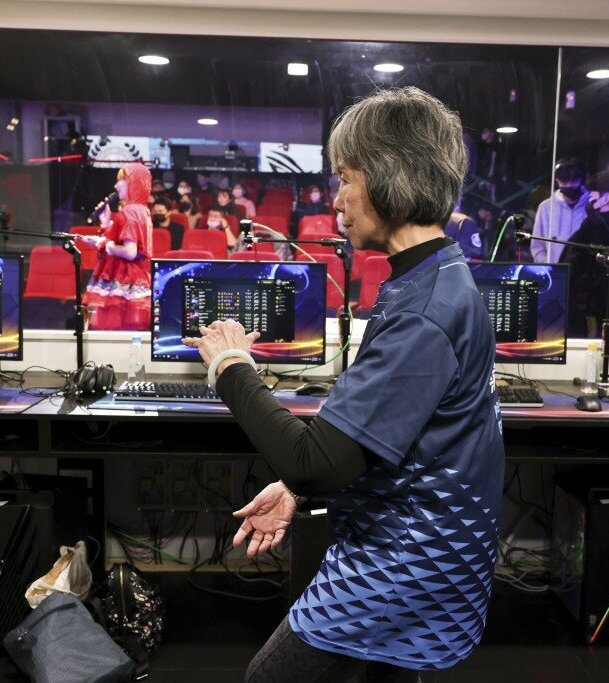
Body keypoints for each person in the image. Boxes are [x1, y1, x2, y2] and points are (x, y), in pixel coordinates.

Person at [181, 87, 504, 681]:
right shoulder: (435, 276)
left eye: (345, 179)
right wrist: (295, 491)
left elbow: (315, 463)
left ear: (387, 177)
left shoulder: (424, 309)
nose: (336, 200)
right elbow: (395, 435)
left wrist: (229, 366)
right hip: (429, 553)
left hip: (406, 563)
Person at [77, 163, 153, 331]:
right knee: (128, 334)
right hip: (135, 276)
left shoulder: (129, 211)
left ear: (134, 183)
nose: (116, 185)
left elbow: (130, 252)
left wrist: (106, 245)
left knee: (112, 330)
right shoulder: (141, 209)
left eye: (121, 181)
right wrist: (105, 224)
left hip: (122, 276)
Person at [560, 171, 609, 337]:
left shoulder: (594, 223)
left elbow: (573, 260)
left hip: (594, 301)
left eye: (592, 196)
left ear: (606, 198)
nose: (589, 200)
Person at [530, 158, 589, 263]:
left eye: (573, 181)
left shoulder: (592, 205)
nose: (569, 185)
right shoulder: (545, 207)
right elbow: (537, 245)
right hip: (554, 270)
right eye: (564, 182)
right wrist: (546, 264)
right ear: (557, 181)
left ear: (581, 180)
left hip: (584, 270)